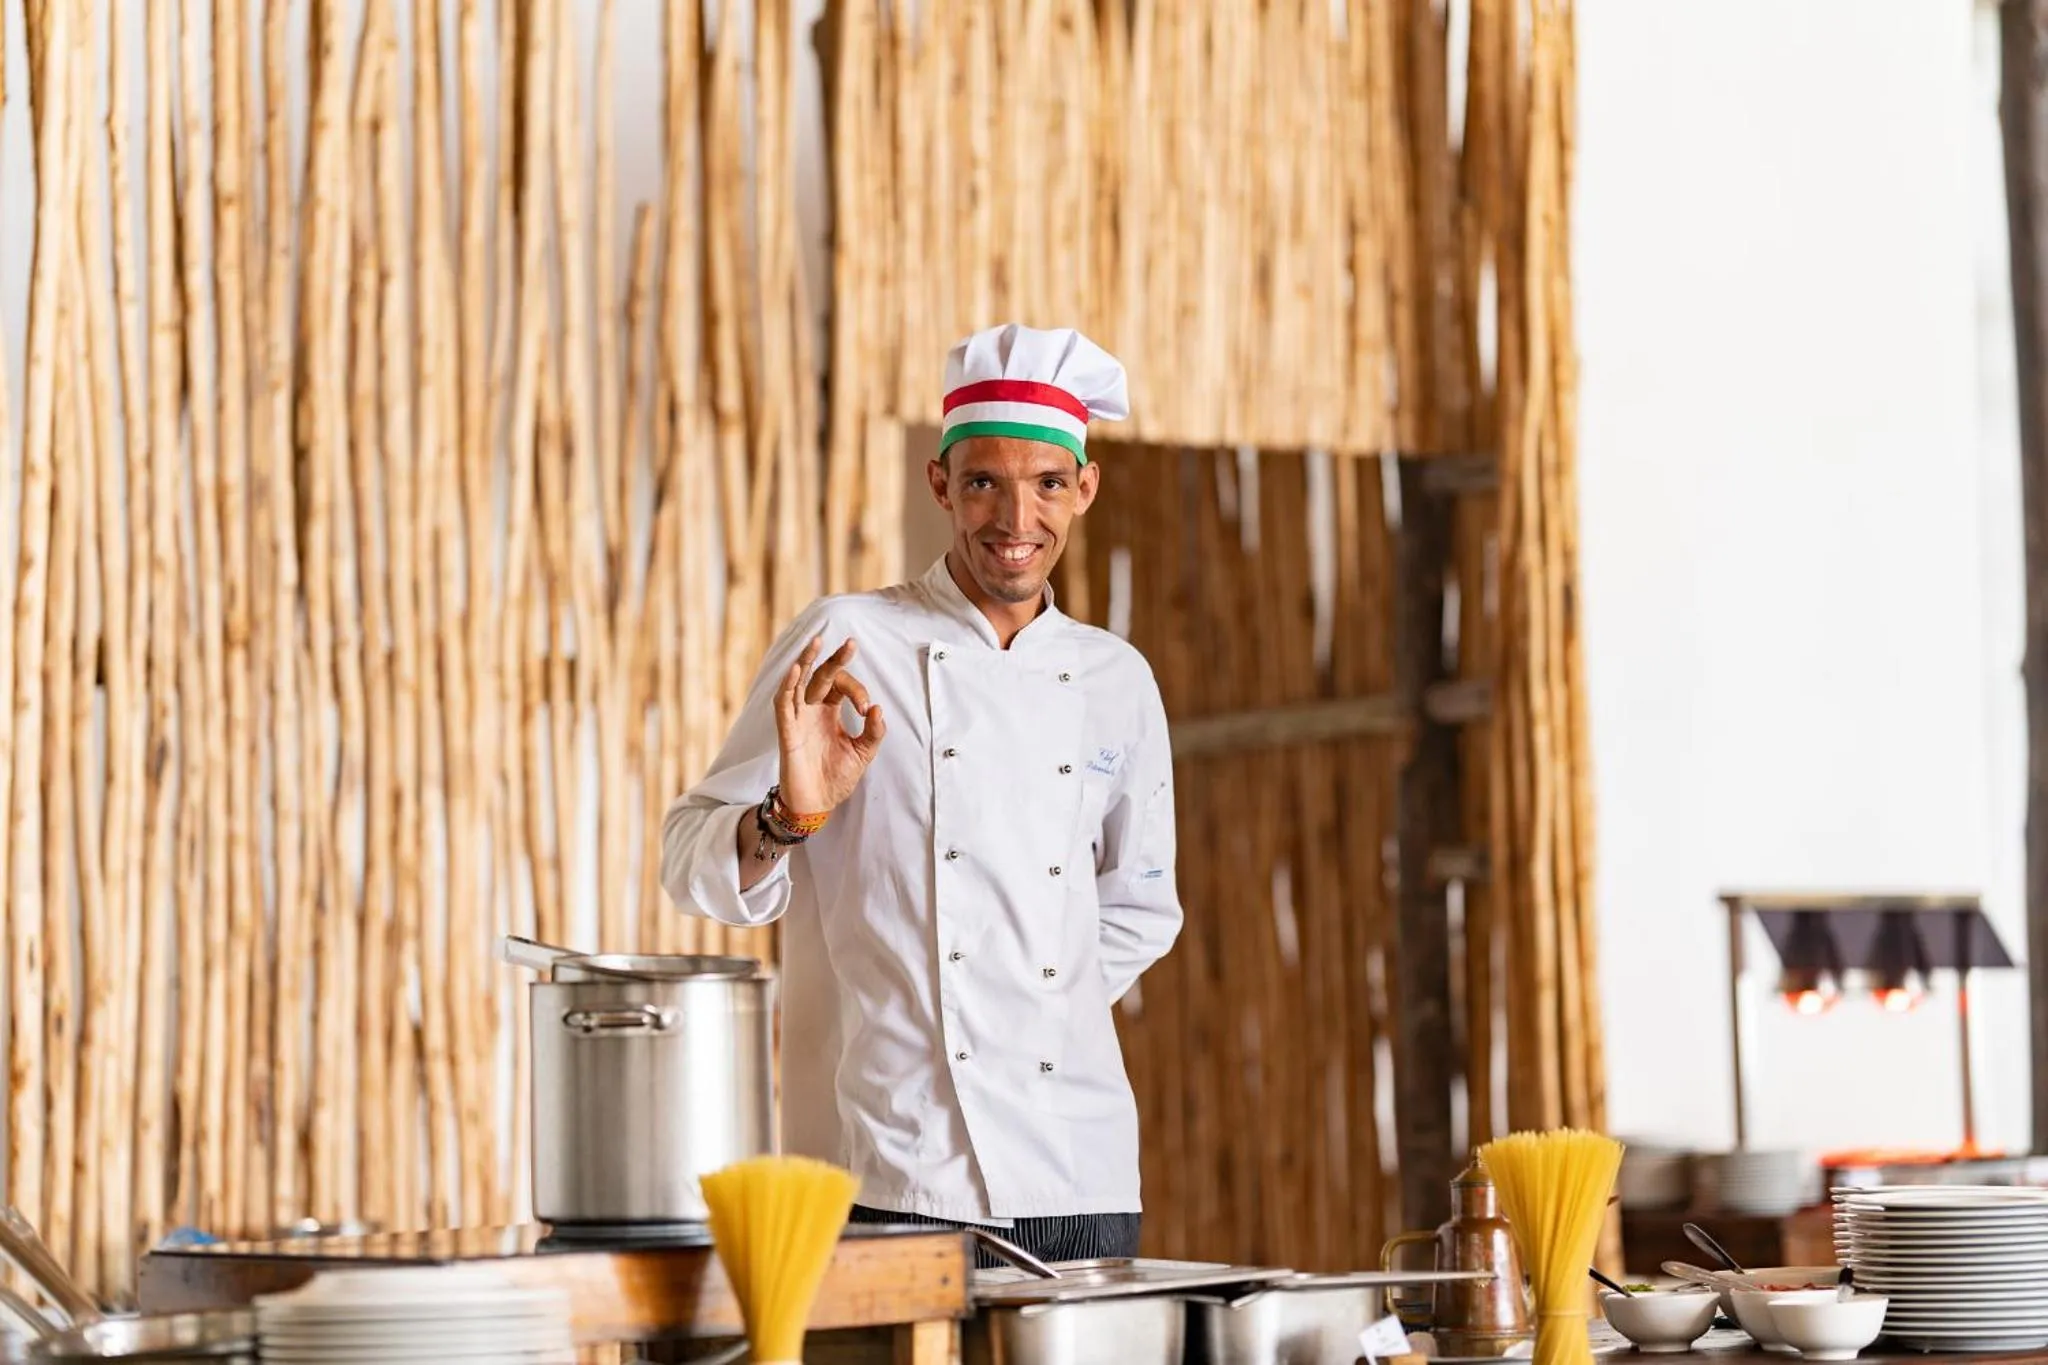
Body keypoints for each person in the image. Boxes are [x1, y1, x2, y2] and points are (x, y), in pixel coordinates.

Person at [660, 322, 1184, 1265]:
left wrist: (1030, 1002)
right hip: (899, 1168)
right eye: (984, 481)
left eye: (1048, 483)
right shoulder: (849, 639)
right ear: (940, 483)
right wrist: (790, 817)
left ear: (1085, 490)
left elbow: (1141, 906)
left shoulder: (1117, 679)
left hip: (1085, 1169)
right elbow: (689, 857)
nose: (1015, 518)